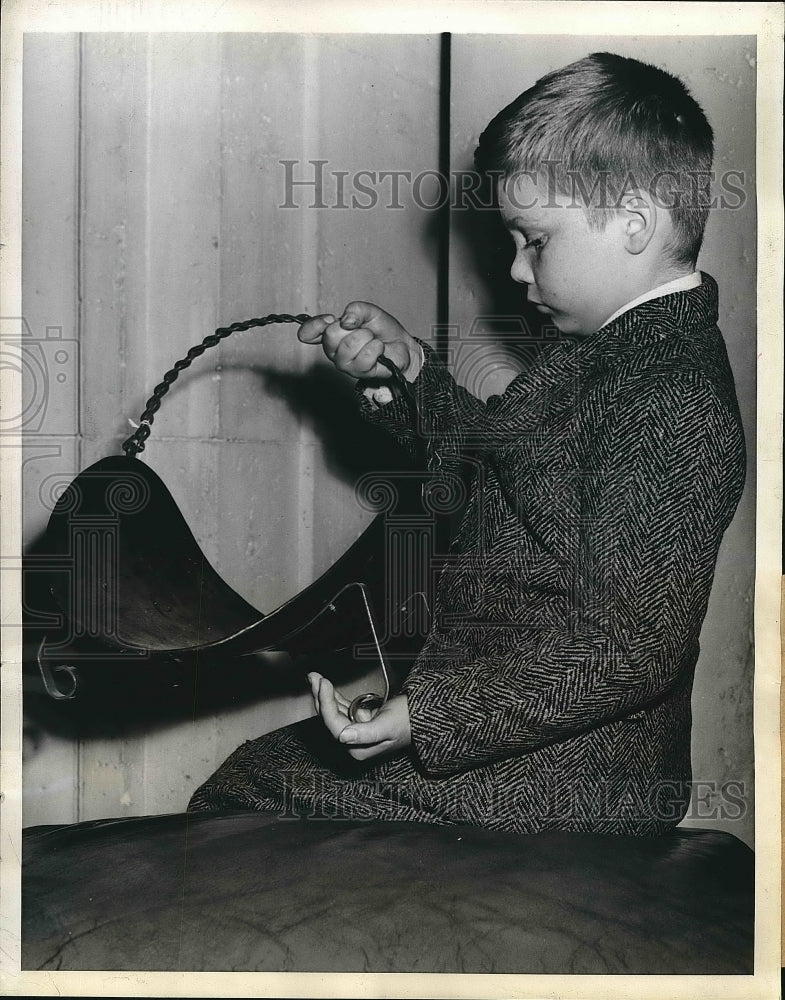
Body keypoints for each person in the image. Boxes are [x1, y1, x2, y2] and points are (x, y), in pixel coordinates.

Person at [188, 52, 746, 835]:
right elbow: (512, 476)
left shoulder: (672, 399)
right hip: (533, 749)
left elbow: (630, 649)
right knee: (259, 777)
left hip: (570, 779)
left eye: (534, 240)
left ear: (633, 223)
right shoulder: (613, 350)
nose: (516, 270)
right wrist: (408, 372)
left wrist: (428, 715)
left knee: (243, 794)